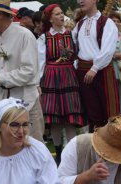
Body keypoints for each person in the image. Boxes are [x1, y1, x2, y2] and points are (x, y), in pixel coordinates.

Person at [0, 0, 45, 142]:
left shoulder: (24, 35)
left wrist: (1, 78)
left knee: (32, 145)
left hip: (25, 100)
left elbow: (29, 71)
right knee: (3, 145)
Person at [37, 4, 85, 164]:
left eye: (62, 13)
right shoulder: (44, 38)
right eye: (57, 14)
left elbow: (78, 57)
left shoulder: (72, 35)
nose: (61, 16)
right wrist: (38, 83)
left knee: (70, 118)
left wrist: (75, 71)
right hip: (51, 78)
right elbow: (40, 63)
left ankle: (72, 154)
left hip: (69, 76)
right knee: (55, 119)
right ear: (50, 18)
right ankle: (58, 153)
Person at [73, 0, 119, 130]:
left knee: (109, 111)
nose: (80, 1)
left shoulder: (106, 23)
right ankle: (96, 145)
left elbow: (108, 50)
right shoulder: (79, 24)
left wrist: (95, 68)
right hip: (83, 71)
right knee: (91, 112)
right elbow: (76, 48)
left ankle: (112, 144)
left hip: (101, 70)